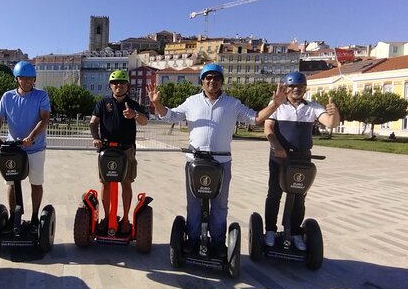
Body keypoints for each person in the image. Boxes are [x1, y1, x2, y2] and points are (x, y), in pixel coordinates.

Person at [147, 63, 287, 258]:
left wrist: (275, 104)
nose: (212, 81)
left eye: (216, 78)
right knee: (194, 202)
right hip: (195, 160)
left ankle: (219, 241)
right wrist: (156, 104)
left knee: (220, 204)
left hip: (221, 161)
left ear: (221, 81)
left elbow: (254, 119)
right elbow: (170, 115)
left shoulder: (232, 103)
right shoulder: (192, 101)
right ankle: (193, 238)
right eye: (208, 78)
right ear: (202, 81)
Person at [263, 71, 340, 250]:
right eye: (292, 86)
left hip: (302, 158)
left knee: (299, 196)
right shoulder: (277, 106)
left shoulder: (312, 107)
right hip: (279, 157)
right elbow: (268, 128)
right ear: (286, 88)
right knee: (274, 193)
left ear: (305, 88)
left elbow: (330, 123)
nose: (296, 89)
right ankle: (270, 230)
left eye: (300, 86)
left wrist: (335, 113)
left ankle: (295, 232)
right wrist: (277, 146)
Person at [0, 61, 51, 233]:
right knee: (11, 183)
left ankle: (35, 218)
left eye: (30, 79)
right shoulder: (7, 96)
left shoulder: (41, 96)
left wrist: (31, 137)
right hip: (13, 148)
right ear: (17, 79)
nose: (27, 82)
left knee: (36, 183)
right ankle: (13, 216)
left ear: (34, 79)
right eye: (23, 78)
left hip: (35, 147)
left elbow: (44, 118)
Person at [90, 70, 149, 234]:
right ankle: (107, 217)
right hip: (107, 149)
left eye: (122, 83)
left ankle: (125, 219)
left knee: (126, 183)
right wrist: (96, 138)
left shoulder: (132, 103)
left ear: (127, 86)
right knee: (106, 184)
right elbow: (93, 122)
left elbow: (144, 121)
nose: (119, 86)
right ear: (110, 85)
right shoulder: (103, 103)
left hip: (126, 150)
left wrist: (134, 115)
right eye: (115, 83)